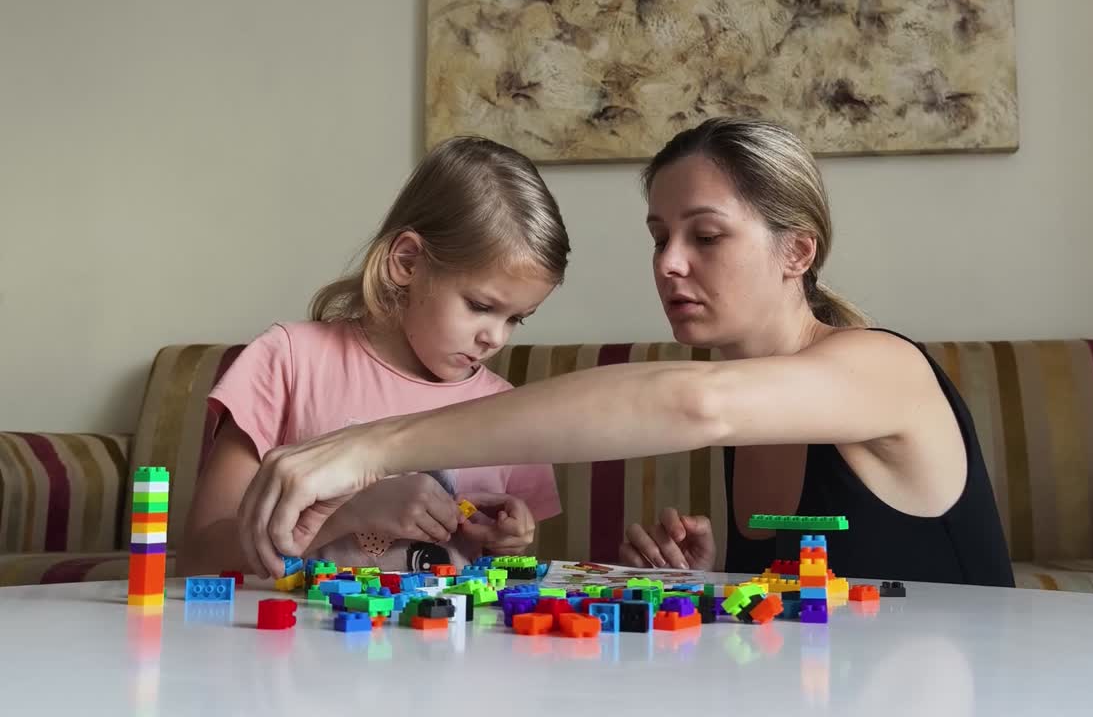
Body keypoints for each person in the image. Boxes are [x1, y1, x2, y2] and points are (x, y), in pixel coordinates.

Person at [234, 117, 1015, 589]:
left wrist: (370, 447)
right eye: (659, 237)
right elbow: (830, 564)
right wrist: (718, 583)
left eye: (705, 236)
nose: (669, 263)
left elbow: (691, 404)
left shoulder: (885, 368)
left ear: (797, 251)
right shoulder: (754, 411)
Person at [178, 135, 570, 576]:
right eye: (480, 306)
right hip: (295, 643)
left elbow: (525, 584)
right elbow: (202, 554)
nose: (495, 338)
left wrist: (508, 546)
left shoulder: (513, 413)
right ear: (407, 262)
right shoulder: (287, 362)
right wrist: (346, 512)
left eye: (518, 318)